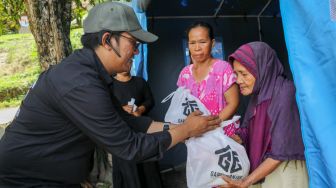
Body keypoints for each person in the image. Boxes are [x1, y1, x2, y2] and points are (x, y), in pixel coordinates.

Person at [0, 2, 221, 187]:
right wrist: (185, 131)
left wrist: (180, 127)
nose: (136, 52)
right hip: (25, 181)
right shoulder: (80, 84)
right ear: (107, 40)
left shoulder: (92, 74)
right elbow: (131, 147)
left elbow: (126, 121)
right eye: (133, 44)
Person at [220, 42, 308, 188]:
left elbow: (281, 151)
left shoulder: (284, 93)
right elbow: (250, 130)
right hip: (263, 169)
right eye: (236, 74)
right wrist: (235, 138)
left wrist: (245, 182)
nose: (238, 80)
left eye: (244, 74)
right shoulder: (259, 93)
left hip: (285, 172)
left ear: (262, 69)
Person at [177, 21, 240, 139]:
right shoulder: (184, 74)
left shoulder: (223, 68)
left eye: (202, 42)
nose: (197, 48)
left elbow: (233, 103)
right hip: (197, 136)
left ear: (212, 43)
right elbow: (183, 106)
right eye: (192, 43)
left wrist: (211, 125)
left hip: (224, 134)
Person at [111, 71, 162, 188]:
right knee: (128, 170)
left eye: (129, 60)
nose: (126, 63)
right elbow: (106, 107)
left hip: (142, 131)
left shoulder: (140, 82)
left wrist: (140, 109)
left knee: (148, 167)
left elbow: (150, 100)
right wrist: (121, 109)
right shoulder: (110, 85)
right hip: (122, 135)